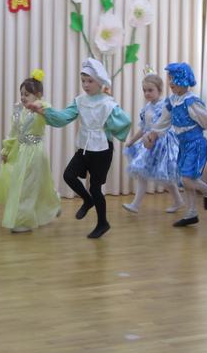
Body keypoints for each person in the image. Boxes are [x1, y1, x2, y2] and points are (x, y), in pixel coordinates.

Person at [29, 58, 131, 239]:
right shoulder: (80, 101)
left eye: (90, 81)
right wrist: (44, 111)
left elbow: (124, 122)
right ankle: (87, 200)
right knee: (69, 175)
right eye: (83, 81)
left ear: (100, 81)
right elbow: (63, 117)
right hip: (84, 147)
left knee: (95, 187)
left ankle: (102, 223)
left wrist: (108, 126)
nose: (85, 85)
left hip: (102, 150)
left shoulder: (108, 103)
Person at [145, 62, 207, 227]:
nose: (170, 82)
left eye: (174, 79)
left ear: (183, 79)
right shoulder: (172, 101)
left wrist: (193, 129)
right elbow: (164, 120)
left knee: (187, 179)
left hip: (195, 144)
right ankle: (191, 213)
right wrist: (153, 134)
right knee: (185, 180)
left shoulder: (191, 101)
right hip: (182, 144)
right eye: (169, 79)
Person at [0, 69, 60, 232]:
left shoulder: (42, 109)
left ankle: (23, 220)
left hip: (35, 152)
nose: (23, 97)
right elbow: (13, 132)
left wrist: (39, 105)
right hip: (20, 151)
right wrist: (6, 150)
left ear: (38, 95)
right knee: (24, 183)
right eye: (22, 94)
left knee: (28, 185)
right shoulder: (18, 110)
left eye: (27, 94)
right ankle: (53, 204)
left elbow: (49, 109)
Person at [122, 73, 183, 214]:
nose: (147, 93)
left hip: (161, 144)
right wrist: (132, 140)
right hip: (147, 143)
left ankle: (178, 200)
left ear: (159, 90)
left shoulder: (165, 105)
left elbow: (167, 126)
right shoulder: (147, 108)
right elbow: (144, 128)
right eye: (144, 90)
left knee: (164, 178)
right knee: (142, 174)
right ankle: (135, 205)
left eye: (150, 90)